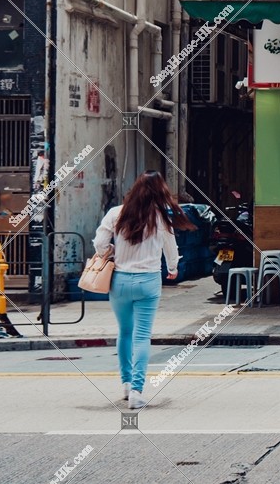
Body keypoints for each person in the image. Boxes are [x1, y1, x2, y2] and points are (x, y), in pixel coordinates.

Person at [93, 170, 195, 409]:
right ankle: (138, 391)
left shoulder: (116, 213)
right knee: (141, 336)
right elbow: (171, 247)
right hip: (148, 282)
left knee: (125, 332)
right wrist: (173, 267)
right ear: (160, 191)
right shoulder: (160, 217)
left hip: (119, 280)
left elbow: (99, 244)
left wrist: (109, 254)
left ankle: (126, 384)